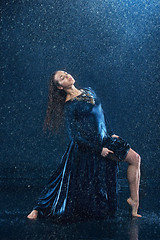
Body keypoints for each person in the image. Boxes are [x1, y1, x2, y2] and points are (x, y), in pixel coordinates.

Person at [27, 71, 141, 222]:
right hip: (92, 145)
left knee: (136, 158)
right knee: (62, 180)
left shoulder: (88, 90)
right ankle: (39, 208)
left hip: (106, 138)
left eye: (66, 73)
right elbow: (74, 136)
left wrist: (111, 133)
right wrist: (99, 150)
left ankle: (134, 201)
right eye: (62, 78)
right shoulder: (70, 105)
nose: (67, 76)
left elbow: (101, 113)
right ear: (60, 87)